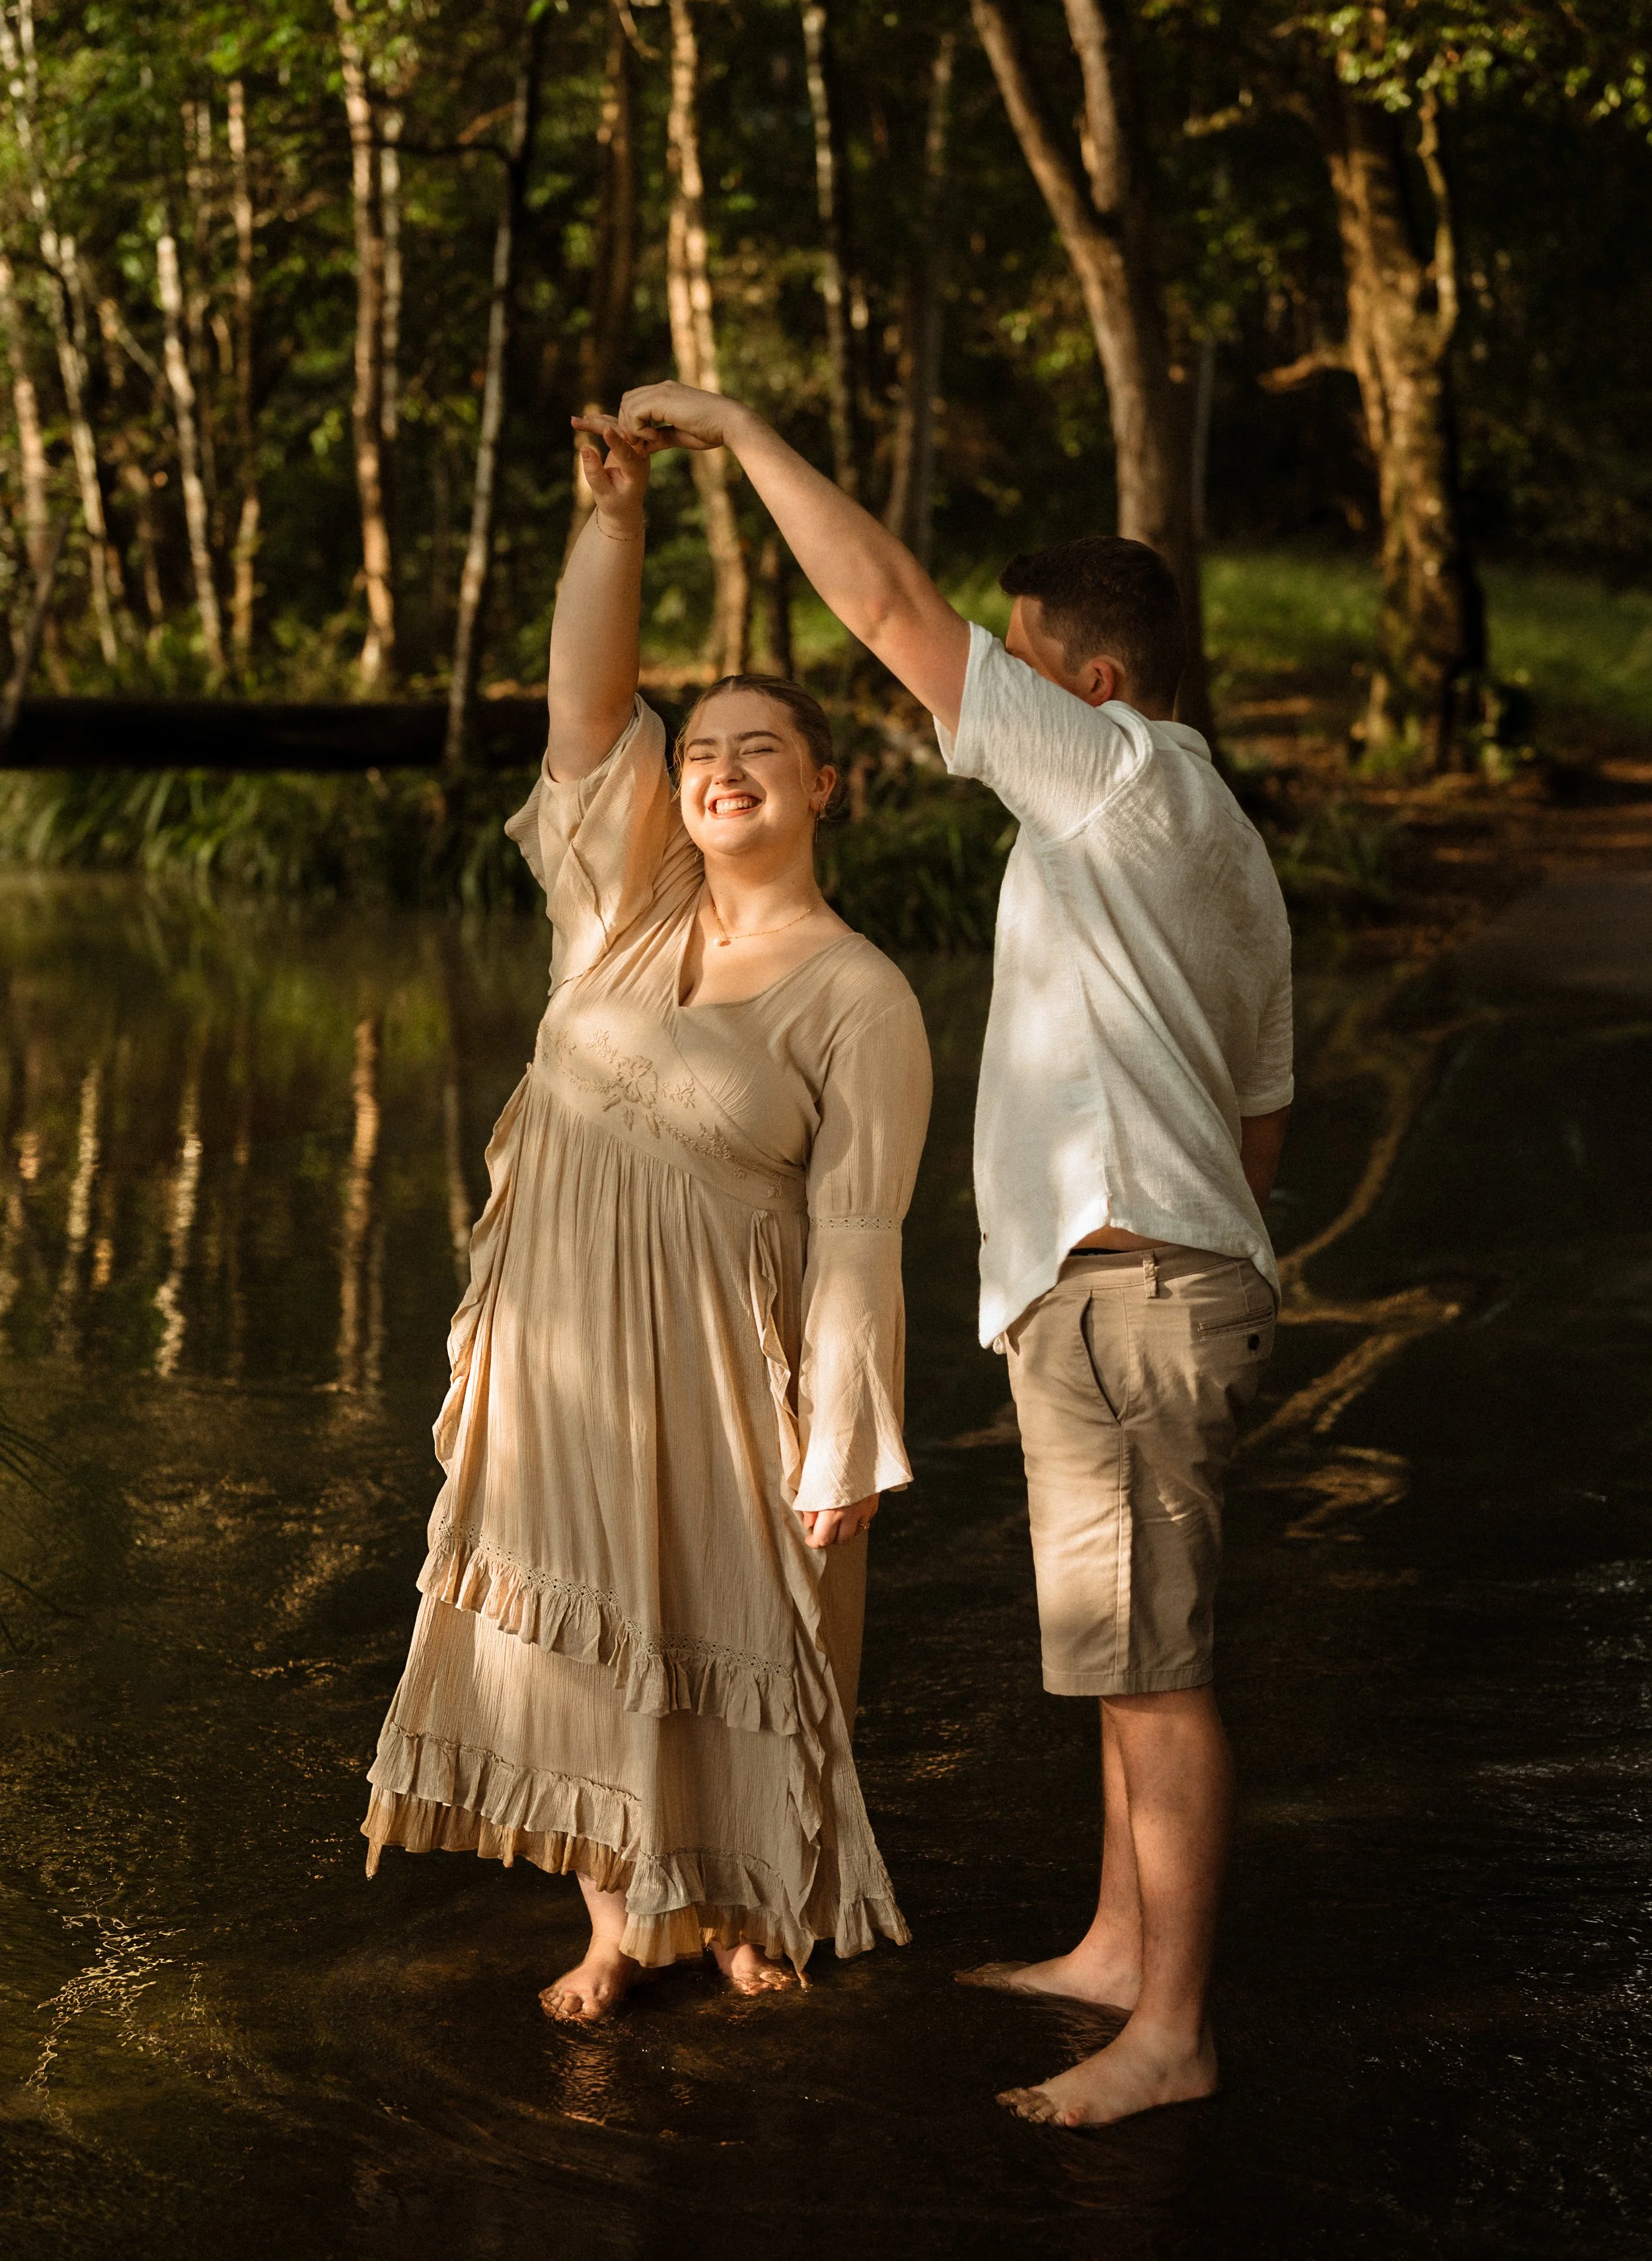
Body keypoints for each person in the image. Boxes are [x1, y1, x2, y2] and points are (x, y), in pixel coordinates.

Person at [613, 378, 1293, 2126]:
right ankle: (1118, 1949)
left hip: (1127, 1285)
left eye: (1024, 660)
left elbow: (890, 610)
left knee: (1154, 1668)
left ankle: (1174, 2030)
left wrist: (743, 432)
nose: (976, 687)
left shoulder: (1115, 776)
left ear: (1095, 685)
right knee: (1114, 1650)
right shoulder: (1215, 839)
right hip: (1140, 1276)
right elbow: (1263, 1111)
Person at [361, 416, 931, 2016]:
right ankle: (617, 1917)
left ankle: (746, 1900)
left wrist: (843, 1443)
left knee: (734, 1624)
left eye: (762, 750)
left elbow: (861, 1236)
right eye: (703, 753)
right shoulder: (620, 903)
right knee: (586, 1623)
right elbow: (586, 709)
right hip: (559, 1352)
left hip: (725, 1365)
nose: (722, 768)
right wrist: (613, 517)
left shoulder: (860, 995)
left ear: (830, 785)